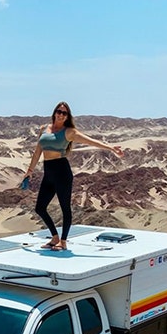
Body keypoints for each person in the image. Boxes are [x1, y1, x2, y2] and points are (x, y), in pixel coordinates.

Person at [23, 101, 124, 251]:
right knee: (40, 208)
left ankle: (63, 241)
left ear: (67, 116)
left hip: (62, 172)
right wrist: (30, 171)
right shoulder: (44, 129)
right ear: (54, 113)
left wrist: (111, 148)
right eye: (59, 112)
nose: (61, 115)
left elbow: (90, 141)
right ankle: (55, 237)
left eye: (64, 113)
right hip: (48, 172)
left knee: (65, 208)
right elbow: (38, 151)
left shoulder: (69, 132)